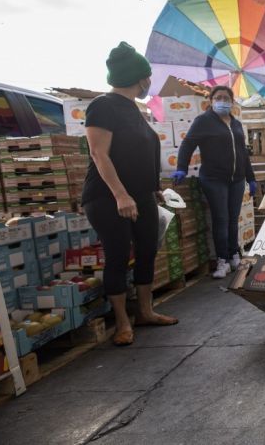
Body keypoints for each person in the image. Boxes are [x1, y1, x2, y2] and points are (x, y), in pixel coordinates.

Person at [83, 42, 178, 347]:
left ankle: (146, 311)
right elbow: (99, 154)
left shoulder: (134, 110)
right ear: (138, 78)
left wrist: (153, 189)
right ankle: (123, 323)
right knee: (118, 255)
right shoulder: (103, 106)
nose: (149, 82)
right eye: (147, 76)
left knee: (148, 250)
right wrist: (121, 196)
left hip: (142, 195)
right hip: (109, 197)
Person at [172, 86, 257, 279]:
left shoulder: (235, 123)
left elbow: (242, 153)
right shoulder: (203, 121)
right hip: (213, 179)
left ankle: (234, 254)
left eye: (226, 98)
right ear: (211, 101)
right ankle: (222, 261)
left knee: (233, 218)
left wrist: (251, 178)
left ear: (232, 102)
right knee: (221, 219)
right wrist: (181, 168)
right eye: (218, 97)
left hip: (236, 179)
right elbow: (187, 144)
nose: (222, 101)